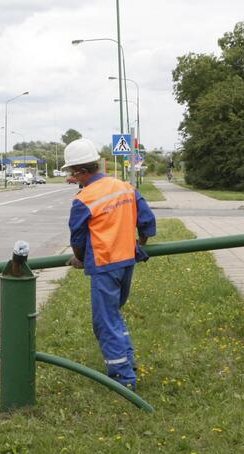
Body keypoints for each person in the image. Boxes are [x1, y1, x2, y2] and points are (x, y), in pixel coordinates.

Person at [63, 138, 156, 390]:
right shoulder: (125, 187)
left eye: (73, 173)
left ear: (82, 171)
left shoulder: (84, 199)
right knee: (114, 315)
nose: (73, 178)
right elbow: (147, 220)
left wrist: (80, 258)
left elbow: (78, 237)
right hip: (127, 260)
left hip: (105, 265)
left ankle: (123, 379)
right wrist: (140, 241)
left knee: (104, 321)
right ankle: (129, 361)